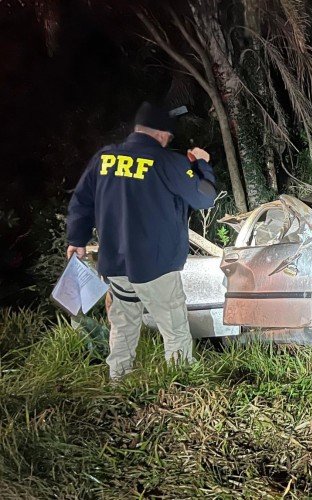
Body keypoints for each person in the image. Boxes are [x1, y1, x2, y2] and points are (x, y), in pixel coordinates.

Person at [66, 102, 217, 379]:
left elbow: (82, 201)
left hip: (115, 265)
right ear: (162, 134)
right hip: (156, 266)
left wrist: (76, 238)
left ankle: (119, 381)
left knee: (123, 326)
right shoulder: (167, 162)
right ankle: (180, 384)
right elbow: (205, 196)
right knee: (174, 328)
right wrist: (202, 164)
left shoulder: (105, 158)